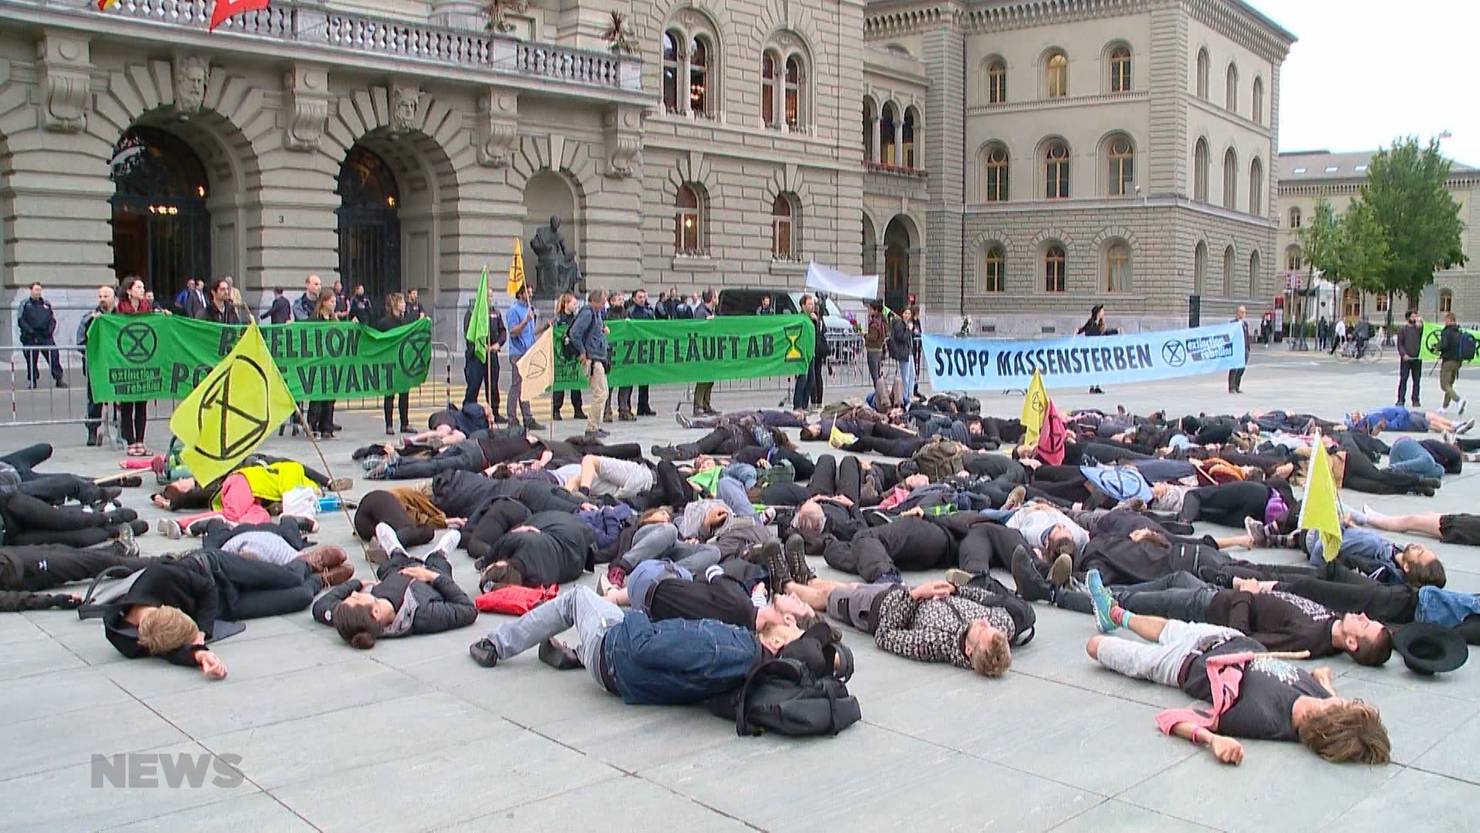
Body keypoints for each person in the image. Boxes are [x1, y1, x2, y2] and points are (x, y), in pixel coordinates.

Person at [1082, 582, 1390, 765]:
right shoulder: (1320, 699)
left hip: (1186, 664)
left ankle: (1103, 630)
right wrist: (1327, 685)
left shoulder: (1264, 719)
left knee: (1096, 647)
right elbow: (1332, 699)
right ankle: (1116, 615)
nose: (1341, 700)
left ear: (1326, 721)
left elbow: (1178, 719)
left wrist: (1212, 742)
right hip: (1227, 639)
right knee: (1166, 627)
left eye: (1342, 707)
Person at [466, 586, 797, 711]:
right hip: (629, 677)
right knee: (606, 615)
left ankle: (495, 644)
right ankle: (572, 654)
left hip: (613, 656)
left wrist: (637, 614)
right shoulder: (748, 666)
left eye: (793, 625)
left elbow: (644, 647)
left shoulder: (728, 645)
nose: (790, 620)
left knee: (577, 597)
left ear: (777, 641)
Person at [104, 551, 326, 676]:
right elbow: (169, 651)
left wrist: (201, 632)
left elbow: (207, 590)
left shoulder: (158, 576)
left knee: (291, 579)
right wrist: (199, 655)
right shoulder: (127, 639)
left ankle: (305, 564)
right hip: (222, 609)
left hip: (216, 571)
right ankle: (321, 580)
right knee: (301, 597)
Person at [313, 525, 475, 649]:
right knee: (438, 561)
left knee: (388, 566)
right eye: (356, 597)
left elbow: (320, 607)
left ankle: (395, 550)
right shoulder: (421, 615)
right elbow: (467, 609)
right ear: (375, 612)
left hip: (396, 572)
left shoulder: (349, 619)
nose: (354, 593)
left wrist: (357, 583)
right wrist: (434, 577)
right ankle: (440, 551)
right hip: (430, 575)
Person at [115, 278, 154, 457]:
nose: (142, 289)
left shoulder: (148, 308)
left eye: (143, 287)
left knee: (141, 404)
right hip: (126, 362)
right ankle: (130, 441)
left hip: (143, 362)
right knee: (126, 405)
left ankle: (140, 440)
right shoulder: (120, 309)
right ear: (129, 291)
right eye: (139, 287)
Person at [568, 288, 610, 439]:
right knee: (599, 393)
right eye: (602, 303)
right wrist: (582, 351)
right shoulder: (587, 313)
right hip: (592, 358)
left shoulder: (597, 313)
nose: (604, 306)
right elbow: (574, 333)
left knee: (603, 392)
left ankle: (596, 425)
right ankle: (592, 427)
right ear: (594, 301)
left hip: (598, 356)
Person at [78, 284, 116, 446]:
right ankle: (92, 430)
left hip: (115, 363)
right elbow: (81, 341)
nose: (102, 299)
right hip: (96, 365)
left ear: (113, 298)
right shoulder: (90, 318)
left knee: (118, 395)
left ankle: (119, 429)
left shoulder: (120, 317)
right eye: (100, 296)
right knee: (94, 398)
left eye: (105, 296)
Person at [461, 281, 506, 418]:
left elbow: (502, 331)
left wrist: (498, 344)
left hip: (492, 354)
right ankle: (469, 411)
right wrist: (481, 346)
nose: (490, 299)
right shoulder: (472, 314)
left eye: (491, 296)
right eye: (488, 296)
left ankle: (494, 412)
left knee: (492, 385)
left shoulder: (495, 313)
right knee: (474, 384)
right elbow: (469, 334)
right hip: (477, 355)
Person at [503, 282, 544, 430]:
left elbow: (530, 333)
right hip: (518, 353)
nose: (531, 295)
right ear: (520, 294)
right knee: (516, 385)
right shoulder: (513, 311)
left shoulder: (529, 309)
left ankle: (528, 417)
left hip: (528, 352)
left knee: (525, 386)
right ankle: (512, 417)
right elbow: (513, 331)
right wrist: (525, 321)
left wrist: (543, 329)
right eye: (528, 292)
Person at [18, 282, 65, 389]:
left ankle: (59, 378)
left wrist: (50, 330)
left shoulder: (46, 304)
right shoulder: (25, 304)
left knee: (53, 357)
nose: (38, 292)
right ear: (31, 291)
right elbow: (21, 320)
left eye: (39, 290)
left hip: (45, 336)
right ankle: (33, 381)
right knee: (31, 360)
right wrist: (29, 331)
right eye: (36, 290)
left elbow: (52, 319)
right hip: (31, 337)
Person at [377, 292, 412, 435]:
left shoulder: (405, 321)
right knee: (389, 394)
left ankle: (404, 423)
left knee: (404, 394)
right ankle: (389, 424)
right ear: (395, 304)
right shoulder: (385, 323)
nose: (404, 305)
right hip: (390, 362)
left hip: (403, 361)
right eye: (402, 302)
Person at [306, 290, 339, 439]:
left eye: (334, 301)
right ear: (324, 302)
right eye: (331, 301)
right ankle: (313, 424)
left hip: (331, 362)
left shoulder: (334, 319)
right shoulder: (315, 319)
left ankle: (327, 426)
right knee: (318, 396)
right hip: (318, 363)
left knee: (330, 396)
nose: (334, 304)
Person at [550, 292, 586, 422]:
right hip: (561, 355)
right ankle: (555, 410)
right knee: (560, 384)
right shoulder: (558, 319)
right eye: (574, 303)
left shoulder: (576, 319)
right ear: (566, 304)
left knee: (576, 383)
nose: (576, 306)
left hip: (574, 354)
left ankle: (578, 409)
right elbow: (554, 334)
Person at [623, 288, 656, 417]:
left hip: (645, 349)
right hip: (632, 350)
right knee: (630, 379)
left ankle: (643, 405)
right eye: (640, 297)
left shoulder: (648, 313)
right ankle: (627, 406)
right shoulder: (629, 312)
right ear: (634, 298)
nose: (642, 299)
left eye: (644, 297)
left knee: (645, 379)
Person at [792, 293, 826, 411]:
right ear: (803, 305)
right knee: (803, 378)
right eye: (809, 304)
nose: (812, 306)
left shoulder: (813, 317)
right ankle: (797, 405)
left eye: (812, 304)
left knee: (811, 379)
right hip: (802, 353)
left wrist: (816, 322)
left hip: (811, 352)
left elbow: (816, 335)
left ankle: (805, 405)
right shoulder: (800, 318)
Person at [691, 289, 717, 416]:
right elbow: (698, 329)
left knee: (710, 379)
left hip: (710, 349)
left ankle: (706, 404)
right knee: (703, 378)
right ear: (712, 298)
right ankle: (698, 406)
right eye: (715, 296)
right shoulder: (701, 312)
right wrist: (708, 322)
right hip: (702, 349)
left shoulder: (709, 311)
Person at [1438, 311, 1468, 414]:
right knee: (1449, 384)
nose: (1444, 322)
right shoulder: (1459, 331)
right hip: (1458, 361)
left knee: (1444, 384)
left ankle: (1459, 400)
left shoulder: (1446, 332)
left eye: (1445, 320)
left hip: (1448, 361)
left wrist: (1437, 347)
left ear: (1449, 320)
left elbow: (1444, 345)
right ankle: (1444, 407)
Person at [887, 305, 915, 407]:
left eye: (908, 313)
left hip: (909, 352)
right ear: (902, 314)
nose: (907, 315)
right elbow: (902, 337)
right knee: (905, 377)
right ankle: (905, 397)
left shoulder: (908, 324)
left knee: (912, 374)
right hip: (903, 353)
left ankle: (909, 394)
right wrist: (908, 330)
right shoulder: (899, 324)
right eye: (905, 313)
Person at [1396, 310, 1423, 407]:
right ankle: (1400, 399)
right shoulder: (1403, 329)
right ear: (1408, 318)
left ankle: (1415, 400)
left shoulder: (1419, 329)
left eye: (1416, 316)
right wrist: (1403, 354)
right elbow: (1400, 344)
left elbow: (1425, 337)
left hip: (1417, 358)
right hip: (1406, 359)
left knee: (1417, 380)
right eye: (1412, 316)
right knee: (1403, 379)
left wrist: (1422, 323)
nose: (1414, 318)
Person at [864, 300, 887, 400]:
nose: (869, 310)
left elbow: (873, 337)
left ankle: (880, 396)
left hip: (873, 350)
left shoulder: (875, 323)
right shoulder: (882, 320)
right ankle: (881, 394)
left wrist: (865, 335)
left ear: (875, 310)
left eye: (870, 309)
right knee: (877, 373)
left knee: (875, 376)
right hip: (879, 349)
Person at [1228, 305, 1251, 393]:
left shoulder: (1245, 324)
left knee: (1241, 368)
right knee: (1234, 368)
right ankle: (1231, 387)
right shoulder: (1233, 323)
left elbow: (1246, 336)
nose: (1243, 314)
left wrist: (1248, 348)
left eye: (1244, 312)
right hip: (1236, 349)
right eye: (1241, 312)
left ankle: (1237, 386)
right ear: (1237, 313)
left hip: (1244, 349)